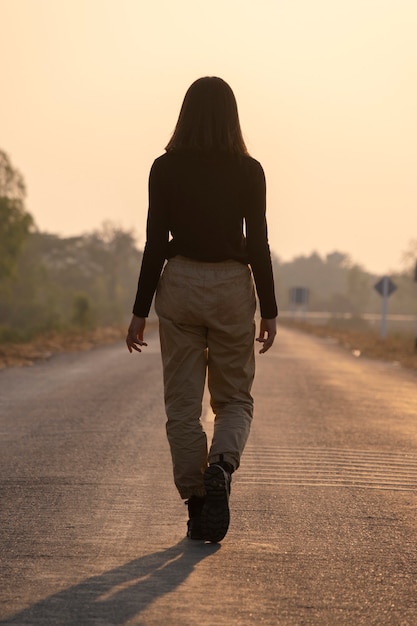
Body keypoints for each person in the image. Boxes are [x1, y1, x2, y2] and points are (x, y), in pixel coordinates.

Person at [126, 76, 277, 542]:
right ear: (232, 117)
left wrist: (139, 309)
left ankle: (197, 502)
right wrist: (269, 309)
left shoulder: (164, 168)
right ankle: (222, 465)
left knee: (183, 406)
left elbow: (155, 243)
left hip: (181, 284)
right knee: (234, 399)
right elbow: (259, 244)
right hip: (233, 285)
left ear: (185, 113)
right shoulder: (249, 170)